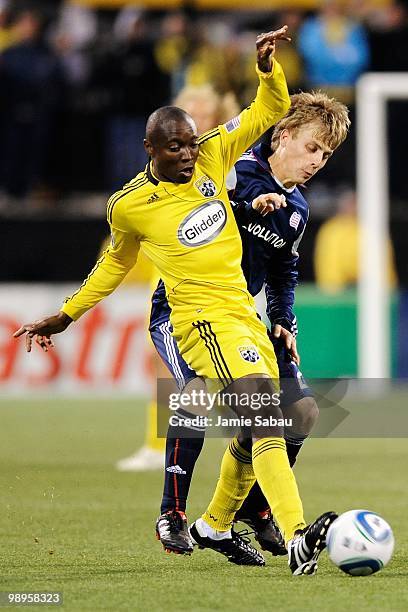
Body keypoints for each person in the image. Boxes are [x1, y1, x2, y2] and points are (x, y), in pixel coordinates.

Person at [13, 27, 335, 576]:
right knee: (243, 408)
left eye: (192, 143)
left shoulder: (214, 158)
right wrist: (67, 314)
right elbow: (114, 264)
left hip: (244, 314)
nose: (189, 155)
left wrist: (266, 67)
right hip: (197, 317)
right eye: (176, 147)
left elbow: (269, 108)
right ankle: (276, 528)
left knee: (279, 416)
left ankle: (217, 522)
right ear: (150, 150)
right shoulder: (130, 205)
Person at [154, 91, 350, 566]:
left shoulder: (297, 209)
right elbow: (191, 218)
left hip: (243, 317)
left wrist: (284, 320)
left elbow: (284, 269)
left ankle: (236, 516)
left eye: (326, 155)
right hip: (183, 309)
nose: (317, 162)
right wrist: (243, 208)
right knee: (198, 394)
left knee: (301, 413)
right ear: (283, 135)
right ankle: (172, 513)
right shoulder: (232, 171)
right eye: (312, 148)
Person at [116, 83, 240, 472]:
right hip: (171, 277)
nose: (193, 118)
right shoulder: (161, 174)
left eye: (202, 112)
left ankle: (248, 438)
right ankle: (160, 445)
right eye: (188, 110)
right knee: (166, 362)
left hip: (223, 277)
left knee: (233, 369)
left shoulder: (223, 162)